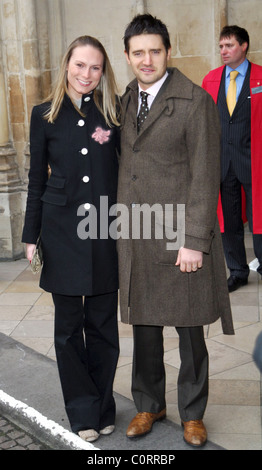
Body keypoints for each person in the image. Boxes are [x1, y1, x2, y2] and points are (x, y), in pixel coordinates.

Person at [117, 14, 234, 448]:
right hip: (137, 234)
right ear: (128, 56)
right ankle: (149, 404)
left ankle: (192, 413)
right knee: (144, 328)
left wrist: (194, 241)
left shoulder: (195, 101)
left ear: (168, 52)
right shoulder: (126, 99)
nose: (147, 60)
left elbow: (205, 175)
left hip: (179, 234)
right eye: (138, 52)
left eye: (155, 51)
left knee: (188, 329)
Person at [22, 36, 120, 443]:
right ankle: (82, 411)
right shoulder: (43, 114)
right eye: (80, 65)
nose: (86, 74)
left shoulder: (111, 114)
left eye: (95, 67)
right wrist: (31, 235)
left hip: (102, 230)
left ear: (103, 72)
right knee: (68, 328)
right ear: (66, 66)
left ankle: (103, 405)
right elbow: (34, 180)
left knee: (101, 325)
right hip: (61, 230)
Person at [202, 26, 262, 293]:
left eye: (229, 46)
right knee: (229, 220)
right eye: (221, 47)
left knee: (260, 217)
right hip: (223, 164)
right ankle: (237, 271)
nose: (224, 51)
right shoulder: (211, 79)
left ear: (244, 46)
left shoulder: (260, 77)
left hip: (255, 162)